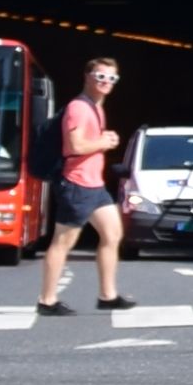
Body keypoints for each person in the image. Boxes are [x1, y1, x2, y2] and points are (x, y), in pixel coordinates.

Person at [34, 55, 132, 314]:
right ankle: (47, 300)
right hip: (77, 185)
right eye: (100, 76)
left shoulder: (96, 107)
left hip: (94, 186)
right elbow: (74, 146)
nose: (106, 82)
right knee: (62, 242)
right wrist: (104, 142)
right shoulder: (78, 108)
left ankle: (107, 296)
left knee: (112, 235)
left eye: (111, 78)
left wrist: (102, 140)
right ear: (87, 77)